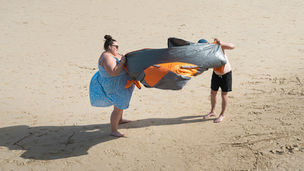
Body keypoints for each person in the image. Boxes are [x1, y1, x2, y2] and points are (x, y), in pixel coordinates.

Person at [89, 35, 134, 137]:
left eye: (118, 46)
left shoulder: (113, 54)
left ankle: (120, 120)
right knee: (117, 107)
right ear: (109, 46)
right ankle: (114, 130)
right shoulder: (106, 57)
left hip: (120, 83)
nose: (117, 48)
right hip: (114, 84)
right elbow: (113, 72)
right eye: (115, 46)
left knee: (120, 103)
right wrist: (122, 62)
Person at [199, 38, 235, 123]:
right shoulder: (205, 54)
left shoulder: (218, 47)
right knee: (213, 93)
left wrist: (222, 43)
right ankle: (212, 111)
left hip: (226, 74)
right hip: (216, 74)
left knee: (224, 95)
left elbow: (232, 46)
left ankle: (222, 114)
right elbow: (204, 67)